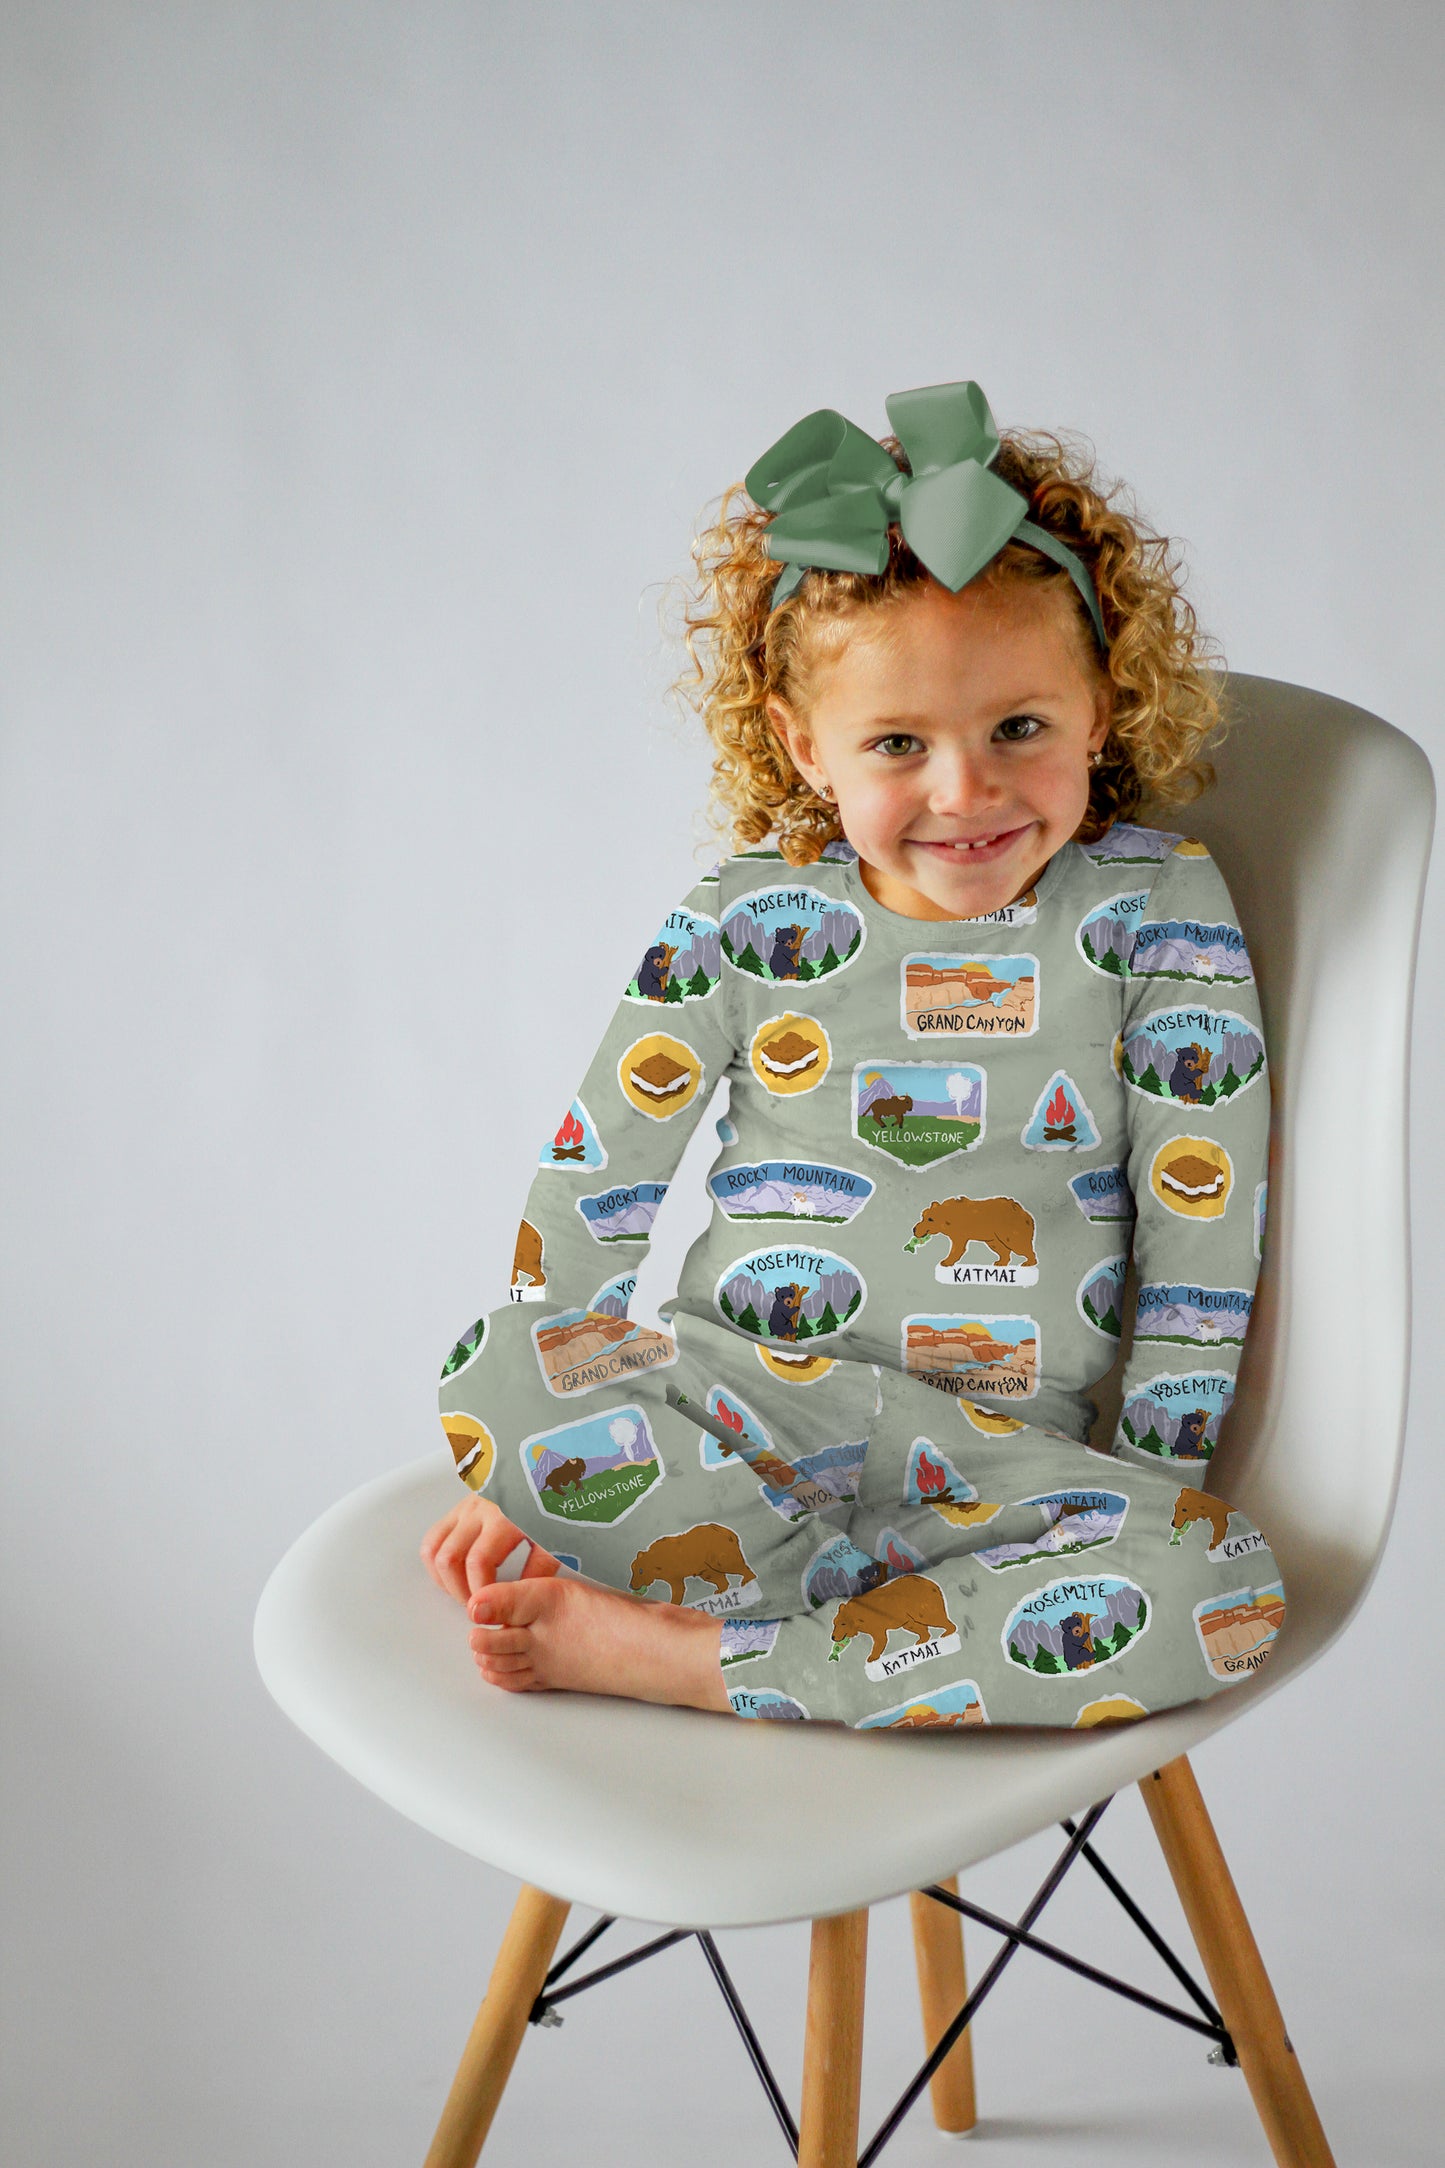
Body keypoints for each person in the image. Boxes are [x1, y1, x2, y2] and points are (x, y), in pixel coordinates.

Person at [419, 379, 1284, 1731]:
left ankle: (706, 1651)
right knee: (492, 1367)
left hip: (999, 1461)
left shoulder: (1155, 907)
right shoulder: (742, 916)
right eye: (897, 743)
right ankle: (830, 1622)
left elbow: (1203, 1213)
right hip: (732, 1412)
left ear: (1103, 705)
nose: (965, 791)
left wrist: (1153, 1479)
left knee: (1218, 1589)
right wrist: (535, 1470)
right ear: (800, 746)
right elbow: (596, 1183)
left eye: (1018, 727)